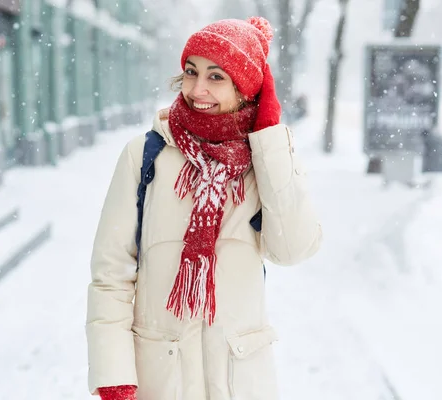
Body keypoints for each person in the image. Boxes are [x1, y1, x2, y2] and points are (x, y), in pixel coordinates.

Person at [86, 17, 322, 400]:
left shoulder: (264, 162)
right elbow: (111, 273)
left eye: (216, 77)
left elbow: (293, 249)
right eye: (191, 72)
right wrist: (114, 373)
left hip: (237, 380)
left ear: (246, 89)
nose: (197, 89)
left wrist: (268, 139)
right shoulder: (147, 155)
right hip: (162, 377)